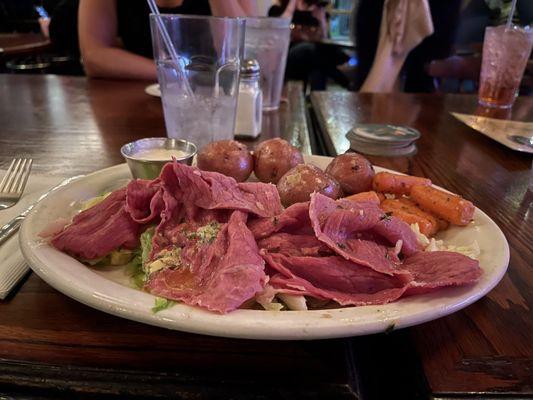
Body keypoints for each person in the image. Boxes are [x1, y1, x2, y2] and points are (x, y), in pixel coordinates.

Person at [78, 0, 257, 80]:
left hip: (217, 103)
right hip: (131, 107)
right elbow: (94, 55)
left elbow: (247, 55)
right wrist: (173, 74)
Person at [269, 0, 349, 90]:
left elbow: (324, 40)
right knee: (310, 49)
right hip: (287, 58)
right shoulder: (278, 9)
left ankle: (316, 100)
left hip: (312, 57)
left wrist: (321, 20)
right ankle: (346, 82)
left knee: (317, 66)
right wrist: (291, 6)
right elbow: (276, 33)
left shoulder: (316, 10)